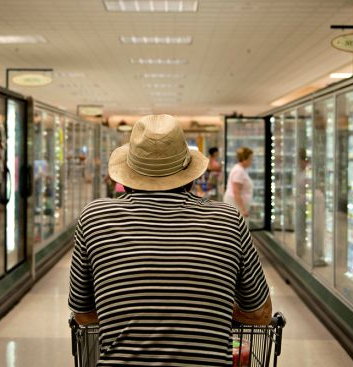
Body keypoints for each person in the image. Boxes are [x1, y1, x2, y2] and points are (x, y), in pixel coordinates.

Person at [68, 115, 272, 366]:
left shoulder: (94, 217)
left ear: (126, 178)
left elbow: (82, 313)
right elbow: (261, 314)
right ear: (191, 177)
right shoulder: (228, 219)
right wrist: (213, 308)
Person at [223, 147, 254, 218]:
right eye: (250, 158)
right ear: (244, 159)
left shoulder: (241, 170)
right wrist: (243, 209)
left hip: (238, 206)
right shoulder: (239, 171)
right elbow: (236, 192)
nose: (251, 161)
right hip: (236, 206)